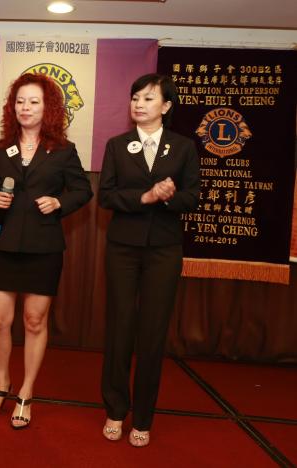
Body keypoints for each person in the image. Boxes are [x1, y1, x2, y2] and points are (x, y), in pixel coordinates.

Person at [0, 73, 92, 429]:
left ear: (48, 108)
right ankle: (2, 384)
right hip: (5, 243)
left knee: (34, 321)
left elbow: (83, 190)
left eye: (33, 102)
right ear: (12, 107)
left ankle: (26, 390)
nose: (25, 108)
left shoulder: (63, 150)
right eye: (20, 102)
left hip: (44, 246)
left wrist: (59, 202)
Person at [98, 73, 200, 447]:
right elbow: (106, 196)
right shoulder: (116, 145)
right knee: (120, 328)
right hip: (122, 248)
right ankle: (115, 409)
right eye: (135, 98)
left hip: (164, 250)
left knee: (153, 334)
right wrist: (145, 197)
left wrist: (168, 196)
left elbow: (193, 197)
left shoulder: (184, 147)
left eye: (148, 98)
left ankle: (143, 417)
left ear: (166, 106)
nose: (139, 104)